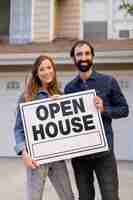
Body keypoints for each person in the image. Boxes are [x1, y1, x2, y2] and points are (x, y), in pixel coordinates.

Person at [64, 40, 129, 200]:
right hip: (80, 156)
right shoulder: (69, 88)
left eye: (87, 53)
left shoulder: (108, 81)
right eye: (79, 54)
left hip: (104, 154)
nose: (83, 57)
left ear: (92, 56)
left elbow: (124, 109)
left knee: (110, 196)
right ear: (74, 58)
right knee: (85, 197)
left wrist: (104, 109)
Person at [14, 55, 74, 200]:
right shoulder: (27, 96)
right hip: (36, 158)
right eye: (42, 69)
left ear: (53, 70)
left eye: (49, 67)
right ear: (36, 73)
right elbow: (18, 129)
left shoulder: (61, 94)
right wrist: (24, 153)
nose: (46, 72)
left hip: (57, 157)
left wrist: (64, 102)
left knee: (68, 197)